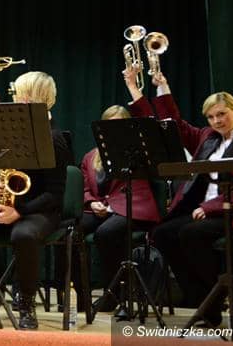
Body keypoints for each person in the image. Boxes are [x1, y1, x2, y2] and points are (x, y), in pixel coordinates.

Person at [0, 67, 73, 329]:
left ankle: (26, 303)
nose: (16, 99)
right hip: (6, 203)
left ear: (34, 97)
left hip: (40, 209)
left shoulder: (55, 138)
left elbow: (54, 194)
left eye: (20, 94)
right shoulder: (12, 129)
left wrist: (21, 211)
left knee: (23, 234)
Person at [130, 67, 233, 327]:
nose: (217, 121)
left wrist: (209, 207)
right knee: (163, 234)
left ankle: (215, 298)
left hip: (231, 212)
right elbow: (174, 125)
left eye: (222, 114)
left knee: (191, 234)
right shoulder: (208, 138)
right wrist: (161, 87)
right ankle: (204, 299)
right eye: (211, 116)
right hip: (201, 211)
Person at [80, 102, 161, 312]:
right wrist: (91, 202)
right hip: (99, 207)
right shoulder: (90, 156)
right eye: (108, 125)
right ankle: (81, 294)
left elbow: (136, 187)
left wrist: (108, 208)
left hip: (131, 207)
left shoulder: (138, 153)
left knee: (106, 233)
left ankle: (114, 293)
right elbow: (85, 186)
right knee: (73, 227)